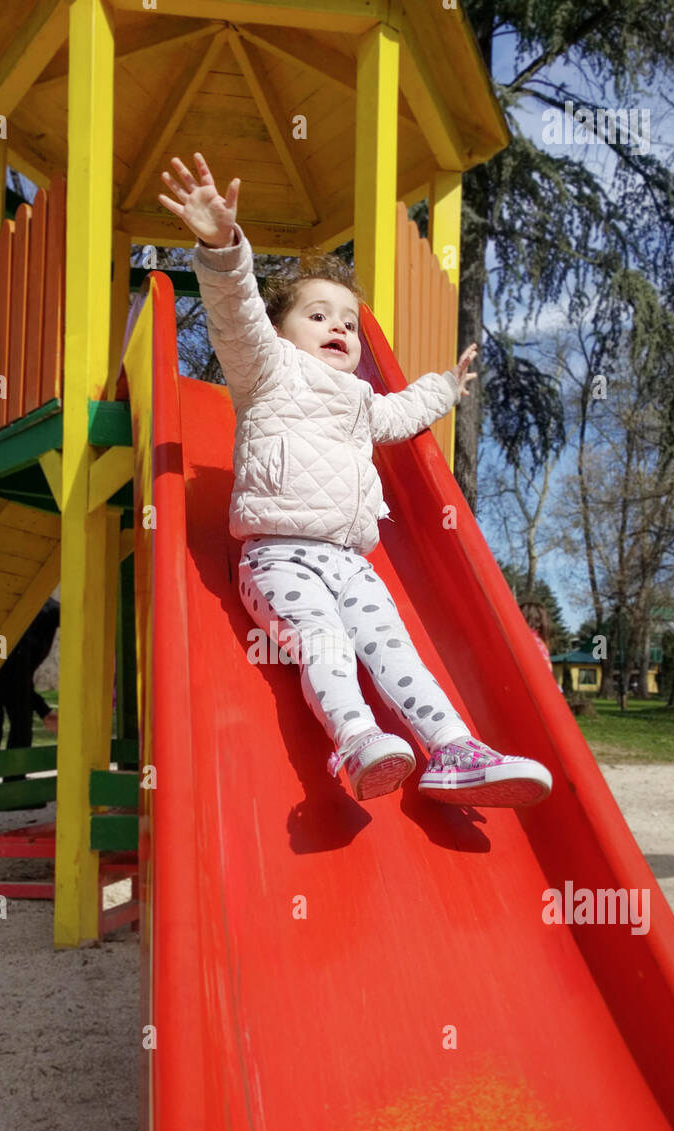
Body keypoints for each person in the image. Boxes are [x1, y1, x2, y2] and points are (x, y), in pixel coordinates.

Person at [161, 152, 551, 807]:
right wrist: (221, 244)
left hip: (352, 562)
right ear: (281, 332)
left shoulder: (362, 402)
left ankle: (453, 749)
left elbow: (401, 414)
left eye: (347, 322)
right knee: (324, 643)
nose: (339, 327)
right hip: (278, 555)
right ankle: (356, 740)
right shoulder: (265, 371)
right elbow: (236, 315)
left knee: (397, 653)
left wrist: (446, 387)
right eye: (317, 316)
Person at [0, 597, 60, 760]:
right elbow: (13, 673)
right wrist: (43, 709)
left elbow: (16, 674)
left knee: (2, 728)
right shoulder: (41, 619)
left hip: (0, 666)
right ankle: (7, 780)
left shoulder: (45, 614)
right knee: (13, 728)